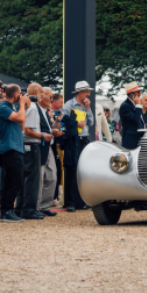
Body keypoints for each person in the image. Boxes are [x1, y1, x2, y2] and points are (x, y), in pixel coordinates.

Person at [0, 84, 30, 223]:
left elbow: (22, 126)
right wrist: (22, 104)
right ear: (16, 95)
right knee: (15, 182)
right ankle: (6, 211)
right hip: (10, 148)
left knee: (11, 181)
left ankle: (6, 211)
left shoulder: (13, 108)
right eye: (20, 95)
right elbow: (20, 119)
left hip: (16, 147)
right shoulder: (3, 107)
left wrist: (24, 107)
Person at [61, 81, 94, 210]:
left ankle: (82, 200)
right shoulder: (69, 105)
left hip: (84, 139)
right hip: (73, 140)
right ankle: (70, 202)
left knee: (83, 170)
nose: (88, 94)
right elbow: (63, 121)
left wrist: (88, 108)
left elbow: (90, 122)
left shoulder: (86, 105)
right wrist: (76, 124)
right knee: (72, 169)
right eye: (86, 91)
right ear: (79, 92)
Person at [18, 83, 49, 220]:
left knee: (24, 179)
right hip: (32, 145)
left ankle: (20, 208)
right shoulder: (33, 108)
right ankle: (29, 210)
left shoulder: (25, 105)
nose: (42, 95)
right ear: (36, 92)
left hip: (24, 145)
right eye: (41, 92)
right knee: (32, 179)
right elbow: (29, 130)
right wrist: (42, 135)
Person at [37, 87, 62, 216]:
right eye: (49, 96)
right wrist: (47, 133)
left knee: (52, 177)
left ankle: (44, 205)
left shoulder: (46, 112)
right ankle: (36, 207)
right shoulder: (35, 109)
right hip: (40, 145)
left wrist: (56, 126)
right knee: (39, 178)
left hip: (49, 145)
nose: (51, 99)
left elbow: (48, 128)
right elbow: (31, 129)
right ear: (41, 96)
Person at [119, 82, 146, 149]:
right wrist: (138, 106)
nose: (140, 93)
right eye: (137, 92)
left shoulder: (134, 105)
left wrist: (145, 125)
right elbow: (135, 119)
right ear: (131, 94)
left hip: (138, 139)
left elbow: (139, 120)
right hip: (130, 140)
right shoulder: (125, 106)